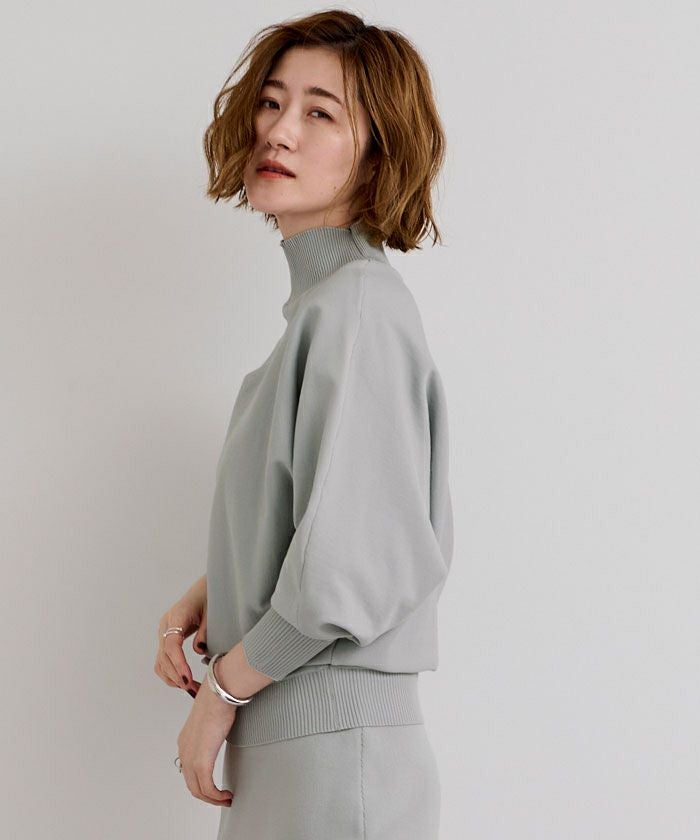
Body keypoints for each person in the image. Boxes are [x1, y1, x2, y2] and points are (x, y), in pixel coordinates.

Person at [153, 9, 454, 839]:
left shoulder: (357, 310)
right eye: (272, 102)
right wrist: (213, 591)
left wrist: (219, 696)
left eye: (322, 113)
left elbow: (347, 573)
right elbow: (319, 520)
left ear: (379, 153)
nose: (279, 131)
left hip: (332, 758)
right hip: (302, 754)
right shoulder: (324, 314)